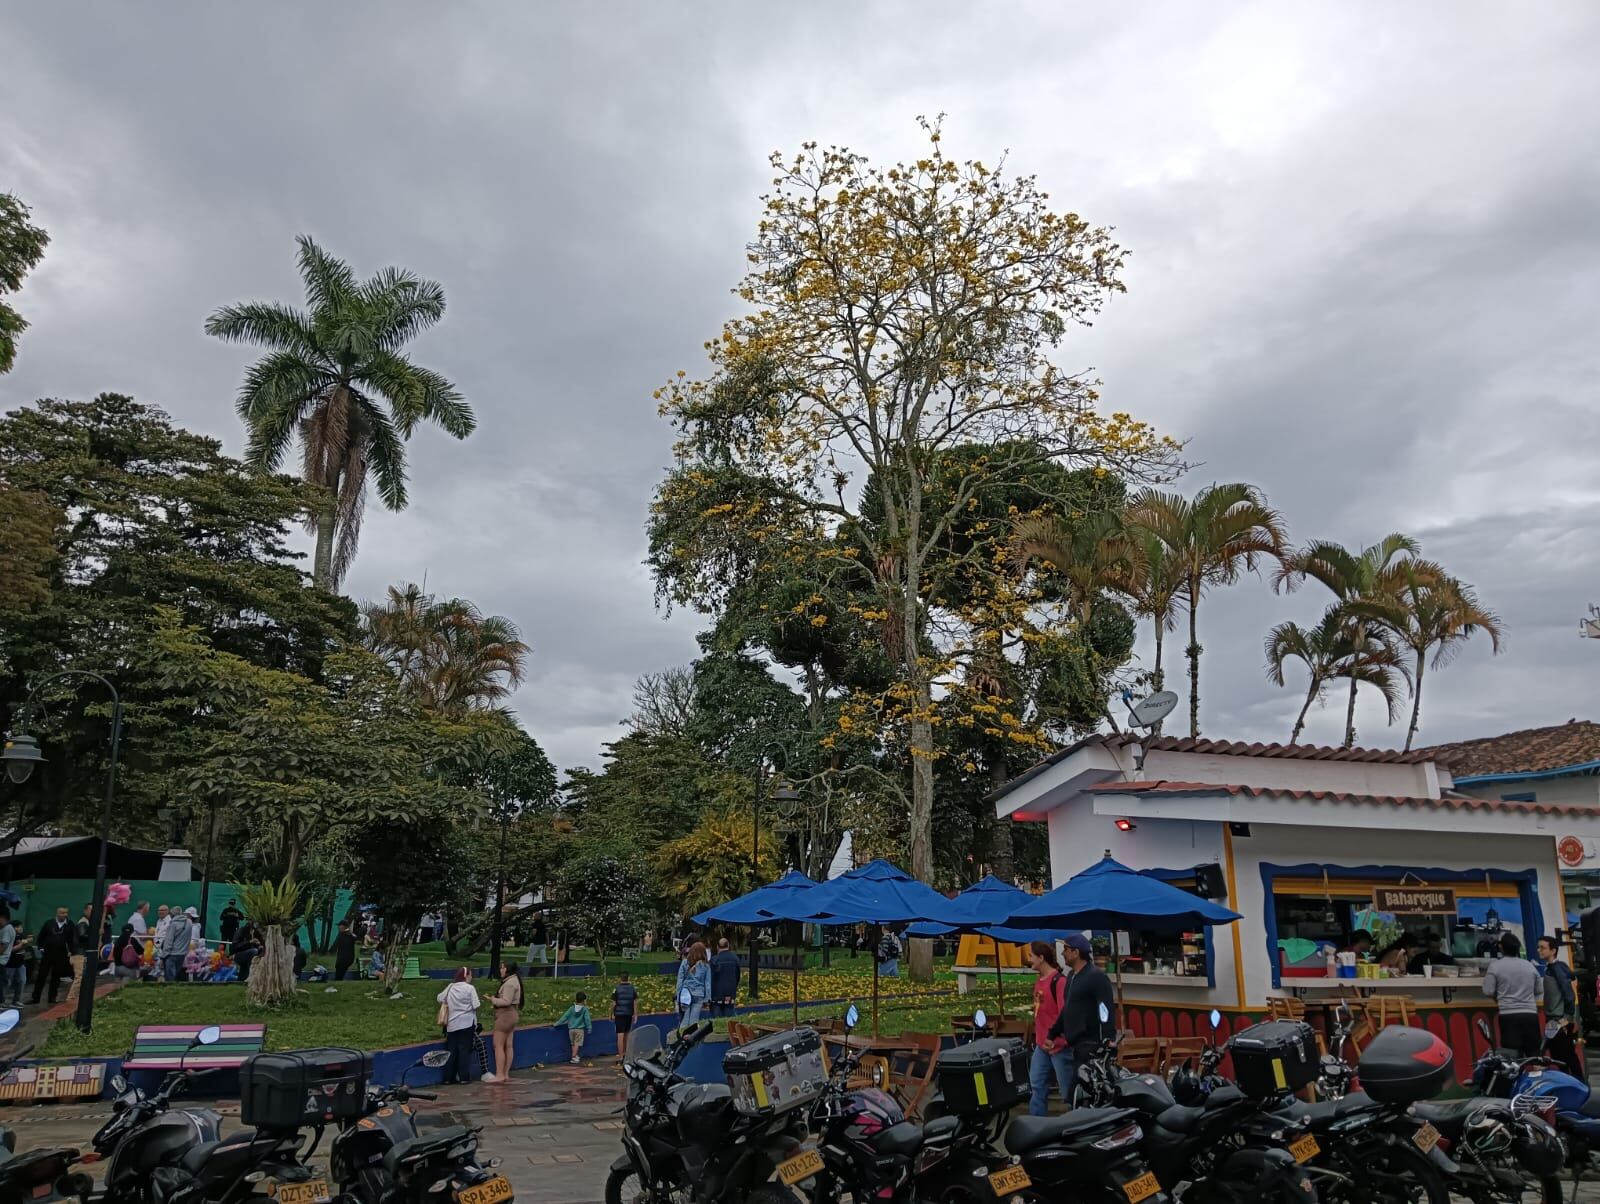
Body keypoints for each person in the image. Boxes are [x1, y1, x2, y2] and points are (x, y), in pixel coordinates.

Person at [1027, 940, 1072, 1115]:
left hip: (1058, 1045)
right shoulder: (1039, 981)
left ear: (1041, 957)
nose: (1029, 959)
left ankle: (1077, 1123)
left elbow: (1064, 1013)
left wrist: (1055, 1037)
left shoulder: (1059, 982)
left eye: (1031, 956)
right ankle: (1037, 1126)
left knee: (1067, 1091)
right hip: (1041, 1044)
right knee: (1036, 1085)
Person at [1060, 933, 1115, 1071]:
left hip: (1091, 1044)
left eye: (1066, 949)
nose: (1062, 953)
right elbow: (1067, 1007)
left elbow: (1105, 1009)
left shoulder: (1096, 977)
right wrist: (1053, 1033)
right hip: (1073, 1044)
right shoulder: (1071, 976)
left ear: (1076, 952)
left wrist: (1107, 1039)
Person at [1483, 932, 1541, 1056]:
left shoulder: (1495, 966)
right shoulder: (1529, 966)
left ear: (1501, 948)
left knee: (1512, 1055)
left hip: (1508, 1015)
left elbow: (1488, 990)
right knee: (1534, 1053)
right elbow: (1539, 990)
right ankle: (1538, 1074)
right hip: (1530, 1014)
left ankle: (1517, 1075)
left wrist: (1497, 998)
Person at [1536, 934, 1581, 1076]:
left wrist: (1567, 1017)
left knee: (1565, 1055)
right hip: (1554, 1020)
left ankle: (1578, 1084)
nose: (1539, 950)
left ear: (1553, 950)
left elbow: (1568, 994)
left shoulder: (1556, 969)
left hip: (1559, 1020)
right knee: (1561, 1055)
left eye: (1543, 948)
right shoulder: (1552, 968)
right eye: (1538, 947)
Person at [436, 967, 482, 1085]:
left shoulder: (451, 986)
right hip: (467, 1023)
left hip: (452, 1024)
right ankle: (464, 1077)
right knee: (464, 1050)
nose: (471, 978)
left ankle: (448, 1078)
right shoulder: (470, 988)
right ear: (466, 976)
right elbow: (476, 1005)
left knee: (451, 1051)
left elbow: (439, 998)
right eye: (470, 975)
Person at [483, 962, 523, 1083]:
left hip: (505, 1015)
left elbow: (506, 1001)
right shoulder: (515, 980)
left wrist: (493, 999)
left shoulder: (510, 983)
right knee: (508, 1045)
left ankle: (500, 1075)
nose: (501, 970)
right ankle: (505, 1074)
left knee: (498, 1045)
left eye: (503, 968)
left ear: (508, 969)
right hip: (512, 1014)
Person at [32, 906, 78, 1005]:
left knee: (56, 977)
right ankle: (35, 998)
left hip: (61, 954)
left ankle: (52, 998)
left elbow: (72, 940)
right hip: (48, 953)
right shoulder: (49, 923)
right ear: (57, 913)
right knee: (41, 976)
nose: (64, 915)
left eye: (66, 913)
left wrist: (71, 951)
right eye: (62, 913)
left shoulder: (70, 925)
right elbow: (41, 936)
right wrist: (41, 947)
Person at [679, 942, 711, 1027]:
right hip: (699, 994)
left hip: (685, 993)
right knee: (694, 1021)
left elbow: (680, 980)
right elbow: (707, 984)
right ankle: (692, 1038)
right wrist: (707, 999)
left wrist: (678, 995)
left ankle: (683, 1037)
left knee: (684, 1019)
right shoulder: (706, 966)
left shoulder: (685, 963)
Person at [557, 991, 592, 1064]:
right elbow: (587, 1019)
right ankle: (573, 1056)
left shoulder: (571, 1008)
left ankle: (575, 1056)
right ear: (584, 1001)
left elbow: (565, 1016)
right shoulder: (584, 1009)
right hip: (579, 1029)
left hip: (571, 1029)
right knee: (577, 1043)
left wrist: (557, 1023)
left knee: (573, 1043)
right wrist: (589, 1027)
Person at [159, 906, 193, 983]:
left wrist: (163, 956)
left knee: (170, 978)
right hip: (182, 954)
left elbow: (168, 941)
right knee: (177, 975)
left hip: (171, 954)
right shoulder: (189, 923)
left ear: (172, 914)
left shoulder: (173, 925)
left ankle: (170, 992)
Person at [710, 938, 741, 1017]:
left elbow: (711, 978)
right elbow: (737, 976)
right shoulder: (735, 959)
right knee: (729, 1020)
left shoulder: (714, 960)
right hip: (730, 995)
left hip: (716, 996)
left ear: (717, 947)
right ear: (728, 945)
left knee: (716, 1021)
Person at [612, 972, 637, 1056]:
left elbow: (613, 1003)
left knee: (620, 1035)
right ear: (628, 979)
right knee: (627, 1034)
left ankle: (620, 1055)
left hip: (619, 1015)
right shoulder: (632, 988)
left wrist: (611, 1013)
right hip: (629, 1014)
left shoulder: (616, 989)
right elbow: (635, 1002)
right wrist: (635, 1014)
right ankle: (626, 1054)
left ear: (620, 979)